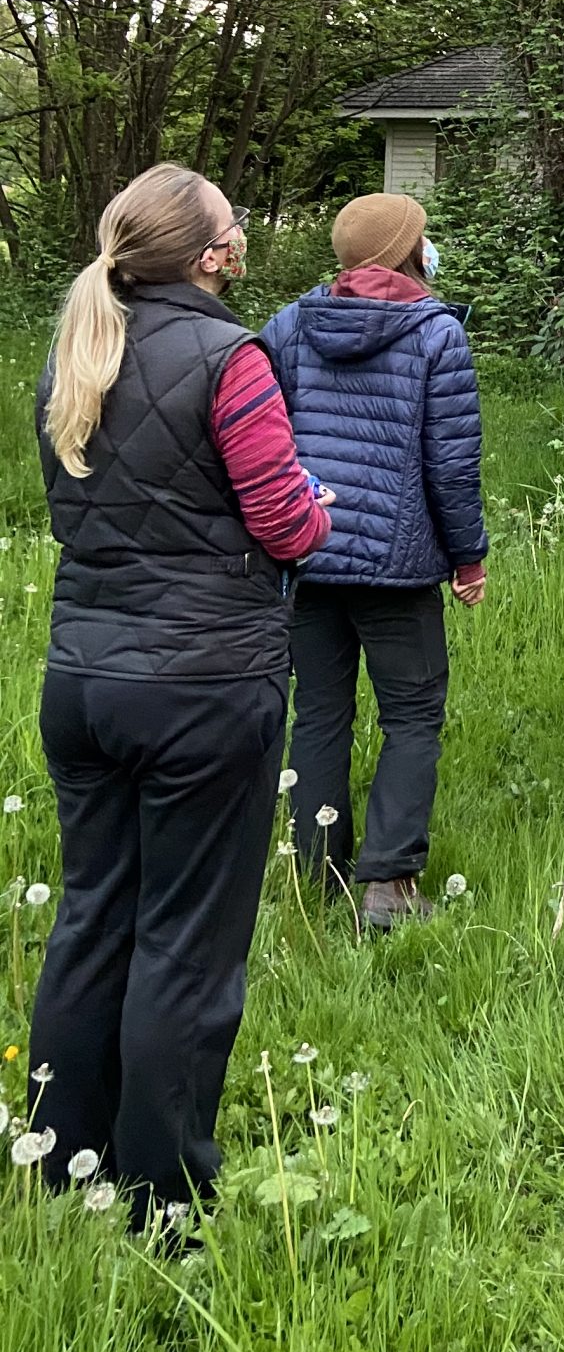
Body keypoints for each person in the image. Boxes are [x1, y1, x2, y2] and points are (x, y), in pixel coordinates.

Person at [29, 164, 332, 1218]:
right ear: (210, 254)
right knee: (186, 944)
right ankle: (163, 1198)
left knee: (92, 916)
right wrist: (318, 507)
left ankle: (58, 1159)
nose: (240, 234)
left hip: (82, 682)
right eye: (231, 224)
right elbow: (286, 525)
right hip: (204, 687)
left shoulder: (74, 354)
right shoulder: (229, 357)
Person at [261, 193, 487, 930]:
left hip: (306, 548)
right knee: (413, 716)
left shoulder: (290, 326)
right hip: (399, 562)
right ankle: (388, 887)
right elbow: (451, 466)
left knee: (320, 711)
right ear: (407, 250)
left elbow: (260, 439)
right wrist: (468, 557)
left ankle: (318, 872)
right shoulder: (437, 334)